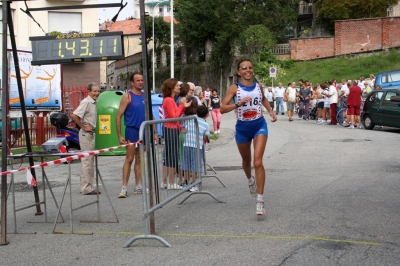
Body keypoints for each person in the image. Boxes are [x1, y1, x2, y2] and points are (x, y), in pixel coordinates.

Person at [220, 58, 277, 216]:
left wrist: (270, 111)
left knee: (258, 162)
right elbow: (222, 108)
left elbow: (263, 98)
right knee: (246, 161)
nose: (248, 70)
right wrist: (238, 104)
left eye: (250, 68)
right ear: (238, 72)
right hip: (242, 128)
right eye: (244, 68)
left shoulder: (258, 86)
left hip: (259, 124)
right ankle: (250, 180)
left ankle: (260, 200)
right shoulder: (234, 88)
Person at [116, 73, 152, 198]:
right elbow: (118, 116)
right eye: (138, 80)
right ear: (132, 83)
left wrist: (155, 133)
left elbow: (150, 114)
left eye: (142, 80)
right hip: (132, 131)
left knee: (139, 159)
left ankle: (138, 186)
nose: (140, 82)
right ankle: (124, 188)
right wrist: (119, 135)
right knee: (129, 159)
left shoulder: (146, 96)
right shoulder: (127, 96)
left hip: (144, 131)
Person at [71, 83, 101, 195]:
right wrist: (83, 126)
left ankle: (87, 186)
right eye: (94, 91)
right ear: (89, 91)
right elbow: (74, 115)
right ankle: (86, 188)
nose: (96, 93)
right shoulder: (86, 102)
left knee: (89, 160)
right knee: (87, 161)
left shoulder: (92, 103)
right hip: (86, 134)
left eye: (98, 91)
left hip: (90, 133)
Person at [162, 78, 192, 189]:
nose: (179, 87)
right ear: (172, 88)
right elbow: (174, 116)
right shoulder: (169, 100)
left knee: (170, 155)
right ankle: (170, 182)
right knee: (172, 156)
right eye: (177, 86)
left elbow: (172, 117)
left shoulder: (169, 99)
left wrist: (179, 126)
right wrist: (182, 106)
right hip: (170, 129)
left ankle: (165, 181)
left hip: (172, 128)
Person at [181, 103, 210, 192]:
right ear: (207, 114)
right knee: (195, 165)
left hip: (186, 144)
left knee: (186, 164)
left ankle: (186, 183)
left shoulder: (191, 120)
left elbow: (184, 131)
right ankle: (194, 184)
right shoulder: (205, 125)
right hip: (197, 146)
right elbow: (205, 137)